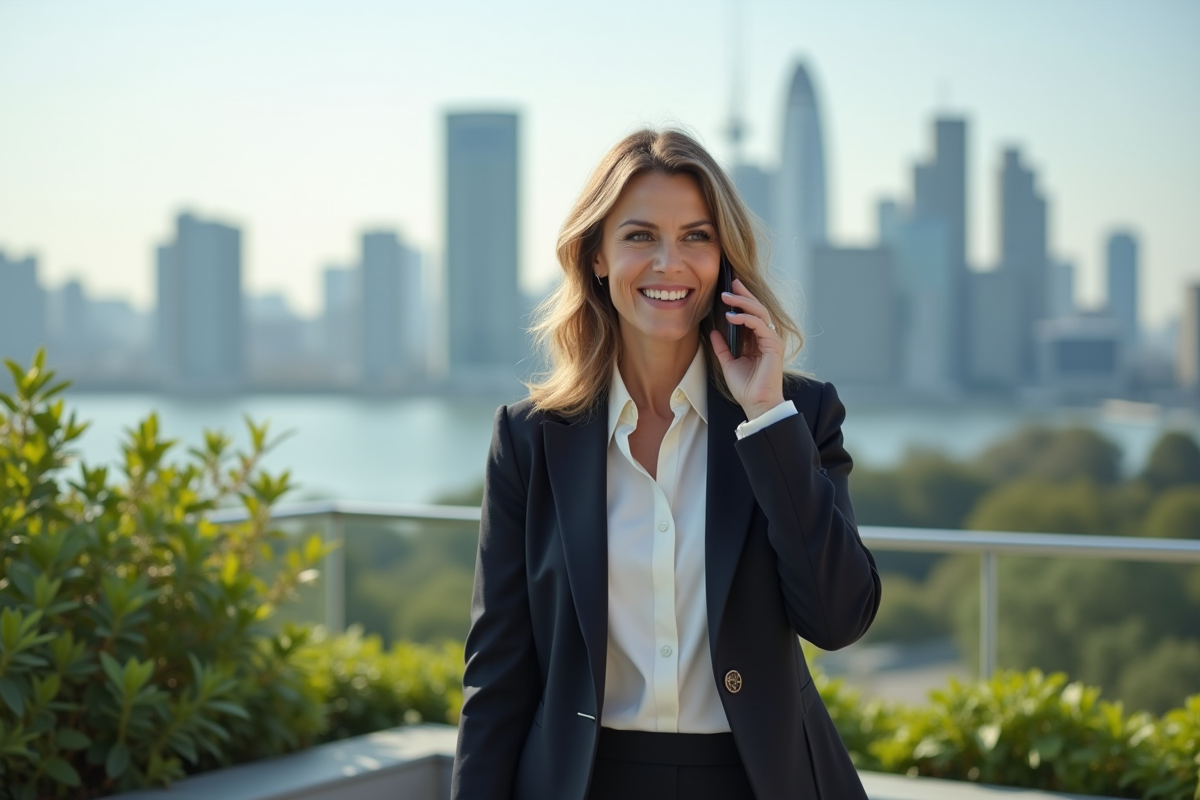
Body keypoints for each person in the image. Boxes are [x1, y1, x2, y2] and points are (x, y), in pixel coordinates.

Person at [451, 128, 881, 800]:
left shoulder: (797, 416)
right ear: (596, 256)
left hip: (758, 782)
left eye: (696, 237)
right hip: (585, 783)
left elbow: (839, 619)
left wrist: (766, 416)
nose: (668, 263)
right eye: (640, 236)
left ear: (725, 260)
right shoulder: (530, 440)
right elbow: (498, 675)